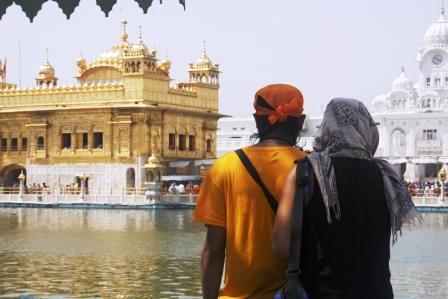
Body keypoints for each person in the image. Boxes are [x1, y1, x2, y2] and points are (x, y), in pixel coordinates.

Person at [272, 98, 421, 299]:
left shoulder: (307, 171)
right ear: (367, 129)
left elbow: (282, 246)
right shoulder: (387, 175)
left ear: (326, 128)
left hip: (321, 292)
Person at [194, 84, 307, 298]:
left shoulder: (224, 167)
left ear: (257, 120)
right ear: (300, 123)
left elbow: (214, 249)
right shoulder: (311, 168)